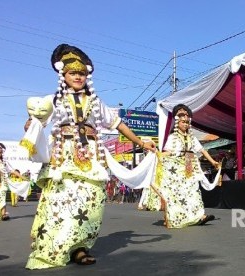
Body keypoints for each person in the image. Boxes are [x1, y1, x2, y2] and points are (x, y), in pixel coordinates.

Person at [21, 44, 156, 269]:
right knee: (62, 201)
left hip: (92, 157)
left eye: (82, 73)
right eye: (73, 73)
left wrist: (141, 142)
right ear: (62, 74)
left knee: (91, 201)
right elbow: (38, 121)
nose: (78, 77)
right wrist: (30, 124)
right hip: (64, 156)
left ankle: (80, 248)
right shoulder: (53, 100)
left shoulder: (95, 102)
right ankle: (53, 244)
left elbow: (118, 124)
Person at [152, 104, 221, 228]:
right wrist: (158, 154)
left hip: (189, 163)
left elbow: (202, 150)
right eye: (182, 121)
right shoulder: (172, 137)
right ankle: (174, 216)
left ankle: (200, 215)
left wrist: (213, 161)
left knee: (193, 190)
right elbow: (168, 152)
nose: (185, 124)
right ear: (177, 122)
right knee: (178, 193)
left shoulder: (192, 137)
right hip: (176, 168)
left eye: (186, 122)